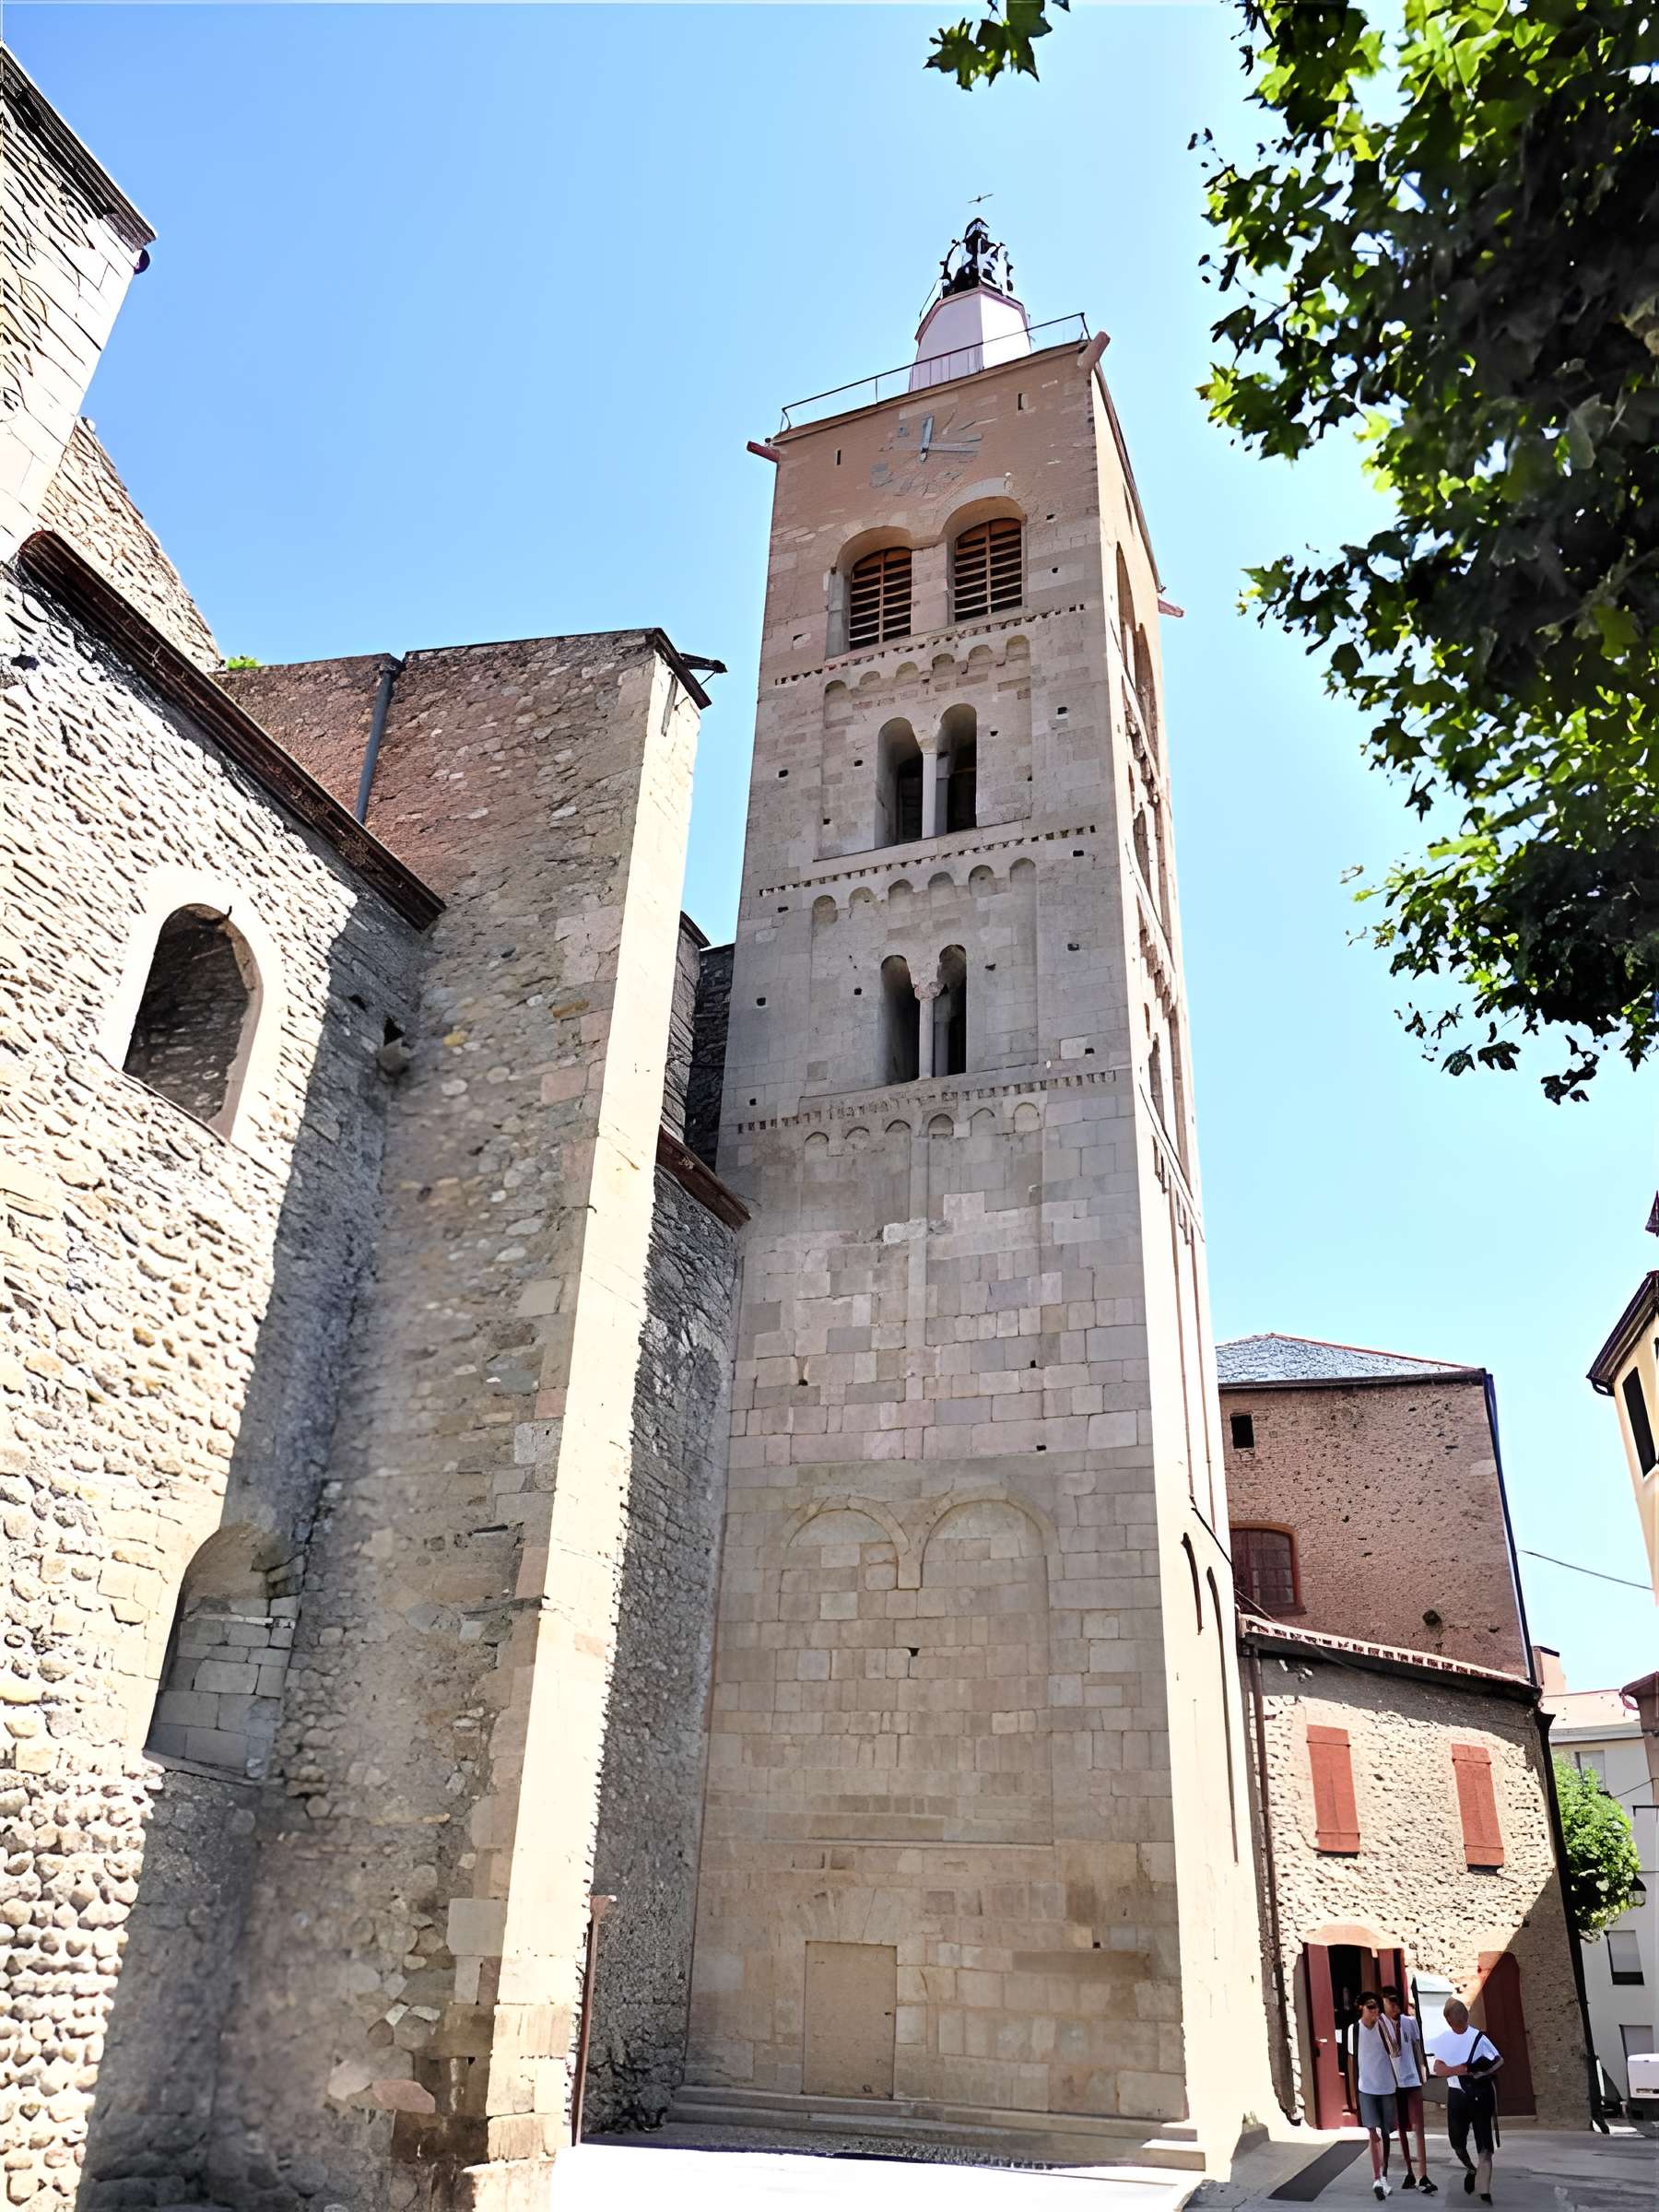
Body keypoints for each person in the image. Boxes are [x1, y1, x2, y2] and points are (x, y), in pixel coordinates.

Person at [1430, 1997, 1502, 2203]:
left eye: (1461, 2014)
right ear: (1448, 2020)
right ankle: (1471, 2169)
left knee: (1484, 2145)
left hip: (1480, 2094)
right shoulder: (1445, 2040)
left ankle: (1484, 2191)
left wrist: (1483, 2073)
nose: (1459, 2019)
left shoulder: (1478, 2038)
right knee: (1457, 2143)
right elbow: (1439, 2069)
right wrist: (1462, 2070)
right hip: (1457, 2095)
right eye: (1455, 2016)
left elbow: (1498, 2060)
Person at [1347, 1992, 1407, 2199]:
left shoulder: (1385, 2025)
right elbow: (1351, 2061)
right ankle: (1377, 2177)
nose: (1375, 2011)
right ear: (1361, 2007)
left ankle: (1384, 2174)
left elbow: (1396, 2051)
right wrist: (1353, 2094)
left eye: (1377, 2007)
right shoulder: (1354, 2030)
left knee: (1386, 2133)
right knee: (1372, 2133)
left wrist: (1384, 2024)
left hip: (1387, 2087)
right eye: (1371, 2007)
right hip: (1366, 2088)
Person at [1382, 1986, 1436, 2194]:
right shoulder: (1380, 2025)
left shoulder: (1409, 2022)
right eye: (1390, 2003)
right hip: (1394, 2083)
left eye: (1396, 2002)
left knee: (1419, 2128)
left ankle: (1423, 2174)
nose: (1394, 2007)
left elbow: (1416, 2047)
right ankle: (1409, 2171)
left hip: (1412, 2079)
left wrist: (1423, 2071)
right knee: (1403, 2129)